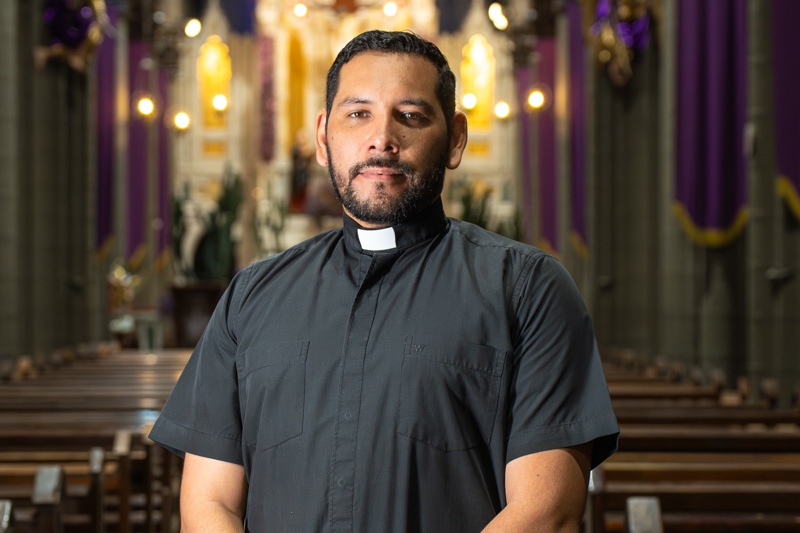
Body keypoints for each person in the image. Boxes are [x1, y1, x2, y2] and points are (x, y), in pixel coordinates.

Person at [149, 30, 619, 533]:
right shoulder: (252, 297)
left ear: (455, 138)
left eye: (411, 116)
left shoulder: (528, 289)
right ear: (323, 137)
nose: (381, 139)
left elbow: (546, 513)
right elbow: (207, 505)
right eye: (358, 114)